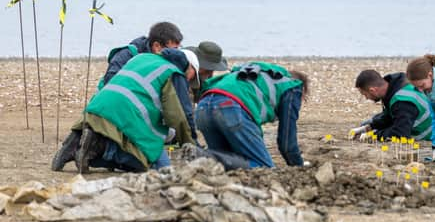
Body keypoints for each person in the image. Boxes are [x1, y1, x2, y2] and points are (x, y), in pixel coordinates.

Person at [71, 48, 199, 173]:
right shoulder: (174, 73)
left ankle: (78, 148)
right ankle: (103, 148)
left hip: (96, 108)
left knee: (127, 144)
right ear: (189, 66)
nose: (190, 81)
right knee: (155, 164)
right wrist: (190, 142)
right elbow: (178, 116)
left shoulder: (142, 58)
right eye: (193, 76)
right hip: (126, 113)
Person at [193, 61, 308, 169]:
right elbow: (287, 144)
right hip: (230, 107)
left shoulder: (257, 74)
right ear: (302, 91)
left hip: (203, 107)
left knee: (224, 164)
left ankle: (201, 155)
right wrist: (299, 167)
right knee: (264, 167)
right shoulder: (293, 86)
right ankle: (204, 156)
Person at [349, 69, 432, 141]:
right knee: (367, 122)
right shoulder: (394, 84)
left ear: (372, 90)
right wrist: (367, 128)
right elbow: (389, 117)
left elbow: (401, 133)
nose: (366, 98)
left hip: (427, 132)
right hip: (410, 120)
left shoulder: (402, 102)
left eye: (365, 94)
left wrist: (375, 135)